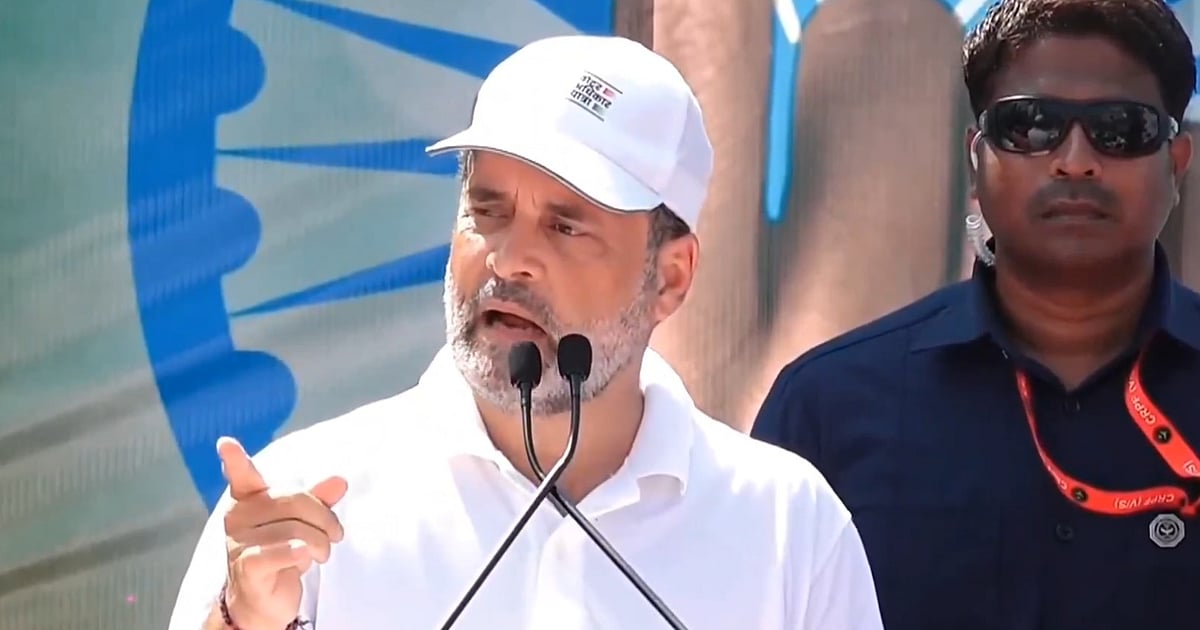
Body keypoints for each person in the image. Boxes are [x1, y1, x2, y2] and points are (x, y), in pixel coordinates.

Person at [168, 35, 882, 630]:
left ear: (670, 278)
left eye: (566, 227)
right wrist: (241, 622)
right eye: (488, 211)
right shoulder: (303, 508)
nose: (509, 261)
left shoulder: (789, 528)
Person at [751, 1, 1200, 629]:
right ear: (977, 157)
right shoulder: (826, 406)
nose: (1075, 159)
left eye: (1121, 129)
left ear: (1176, 163)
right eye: (1031, 126)